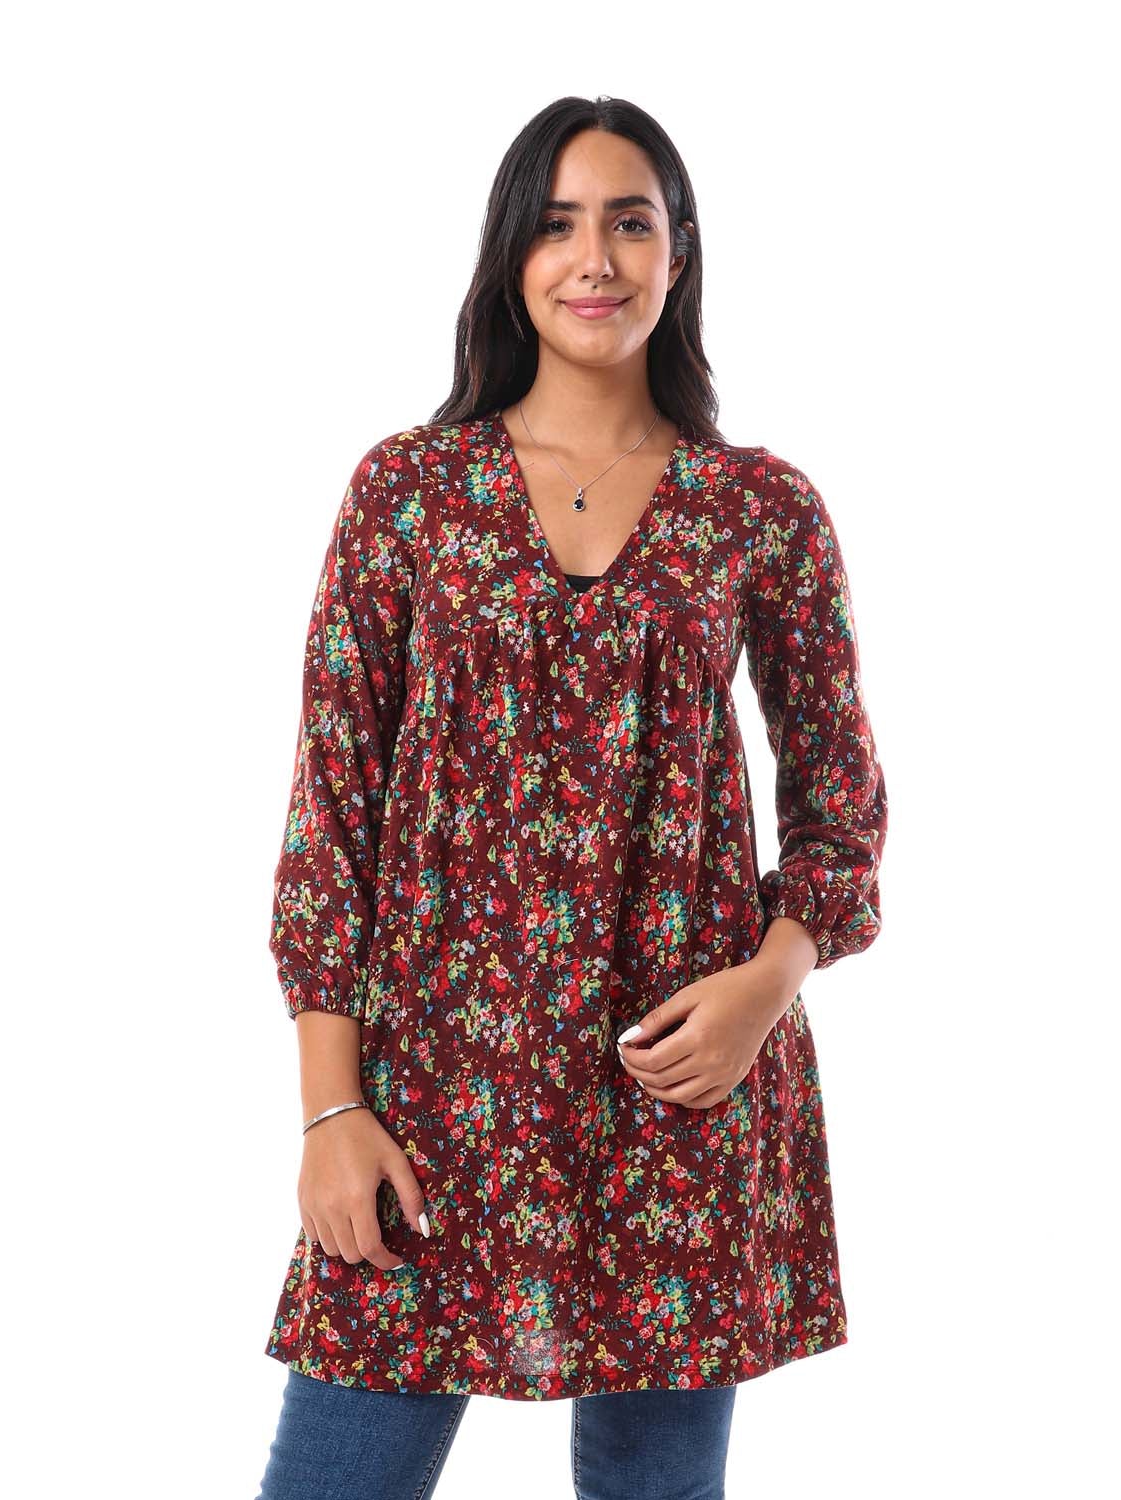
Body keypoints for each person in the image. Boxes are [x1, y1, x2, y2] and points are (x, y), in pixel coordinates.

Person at [254, 95, 888, 1500]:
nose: (593, 258)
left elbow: (841, 804)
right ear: (511, 257)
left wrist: (768, 984)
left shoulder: (759, 507)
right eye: (556, 225)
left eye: (628, 222)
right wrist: (328, 1111)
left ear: (679, 254)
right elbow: (330, 815)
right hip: (430, 1096)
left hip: (680, 1085)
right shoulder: (409, 492)